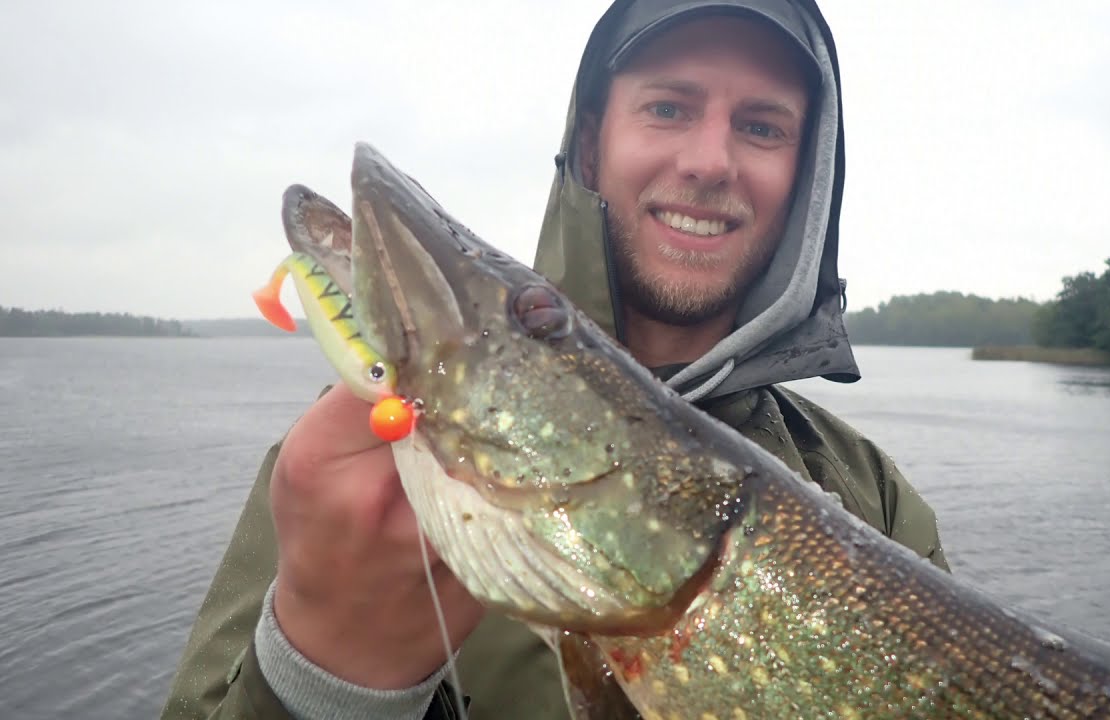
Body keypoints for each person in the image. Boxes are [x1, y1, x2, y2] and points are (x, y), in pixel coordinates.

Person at [161, 1, 948, 718]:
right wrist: (322, 681)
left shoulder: (872, 499)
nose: (711, 161)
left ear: (804, 176)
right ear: (589, 144)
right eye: (669, 107)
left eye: (763, 126)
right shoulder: (350, 471)